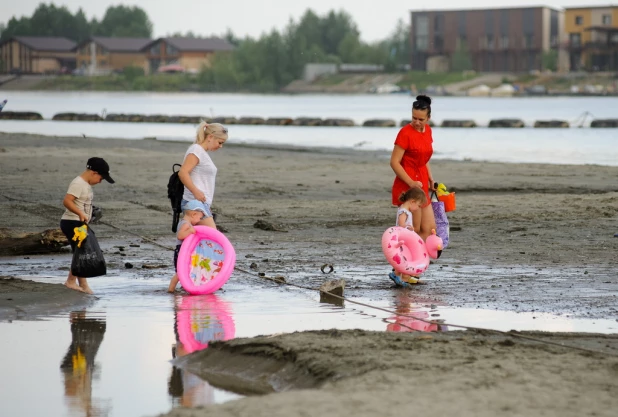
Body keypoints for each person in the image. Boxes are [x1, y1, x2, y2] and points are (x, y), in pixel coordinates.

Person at [59, 157, 114, 294]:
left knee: (81, 251)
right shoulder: (78, 183)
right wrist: (81, 214)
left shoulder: (86, 185)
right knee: (81, 252)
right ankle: (70, 281)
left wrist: (90, 213)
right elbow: (67, 201)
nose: (100, 182)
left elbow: (83, 203)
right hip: (72, 222)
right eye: (101, 178)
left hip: (79, 222)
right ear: (94, 172)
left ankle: (83, 284)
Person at [390, 94, 437, 242]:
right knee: (413, 229)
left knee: (429, 230)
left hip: (422, 180)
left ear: (428, 118)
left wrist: (430, 177)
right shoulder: (405, 133)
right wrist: (411, 183)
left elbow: (423, 157)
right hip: (408, 183)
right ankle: (403, 263)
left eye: (421, 119)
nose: (416, 122)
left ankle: (416, 262)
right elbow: (394, 162)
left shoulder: (428, 130)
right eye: (414, 118)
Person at [177, 121, 228, 229]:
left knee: (200, 239)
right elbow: (183, 172)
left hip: (200, 204)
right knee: (213, 237)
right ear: (210, 137)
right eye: (220, 142)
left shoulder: (201, 152)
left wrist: (206, 205)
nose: (221, 146)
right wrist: (196, 192)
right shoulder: (196, 150)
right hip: (195, 203)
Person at [388, 187, 428, 286]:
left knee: (405, 258)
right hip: (402, 240)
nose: (418, 208)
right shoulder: (404, 211)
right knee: (406, 258)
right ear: (412, 201)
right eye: (418, 205)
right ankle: (401, 278)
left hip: (405, 240)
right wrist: (408, 228)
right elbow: (401, 224)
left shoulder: (406, 210)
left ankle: (398, 275)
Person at [168, 200, 209, 293]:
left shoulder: (187, 223)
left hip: (185, 251)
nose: (199, 221)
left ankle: (184, 287)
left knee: (186, 271)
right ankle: (171, 290)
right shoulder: (186, 224)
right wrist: (190, 231)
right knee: (180, 273)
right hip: (181, 251)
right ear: (194, 214)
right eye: (200, 218)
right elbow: (180, 235)